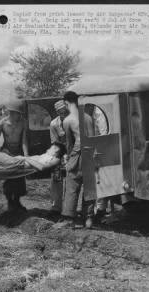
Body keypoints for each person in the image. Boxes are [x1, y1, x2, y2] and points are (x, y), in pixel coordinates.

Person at [56, 91, 95, 229]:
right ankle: (88, 219)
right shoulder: (88, 117)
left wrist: (68, 159)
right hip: (91, 153)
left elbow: (69, 144)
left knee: (72, 184)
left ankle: (68, 218)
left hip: (78, 153)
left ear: (66, 103)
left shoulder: (68, 120)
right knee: (89, 186)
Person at [0, 100, 29, 212]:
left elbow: (24, 141)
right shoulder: (1, 124)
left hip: (19, 152)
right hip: (6, 151)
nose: (19, 115)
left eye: (20, 113)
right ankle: (10, 202)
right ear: (11, 112)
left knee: (19, 176)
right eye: (18, 113)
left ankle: (17, 201)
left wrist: (27, 157)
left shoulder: (23, 122)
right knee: (9, 176)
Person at [49, 100, 69, 216]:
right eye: (61, 112)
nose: (63, 113)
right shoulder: (54, 124)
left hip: (72, 152)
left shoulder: (72, 121)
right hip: (59, 151)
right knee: (56, 178)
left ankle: (68, 208)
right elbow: (55, 143)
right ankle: (55, 207)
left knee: (71, 181)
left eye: (65, 111)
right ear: (57, 112)